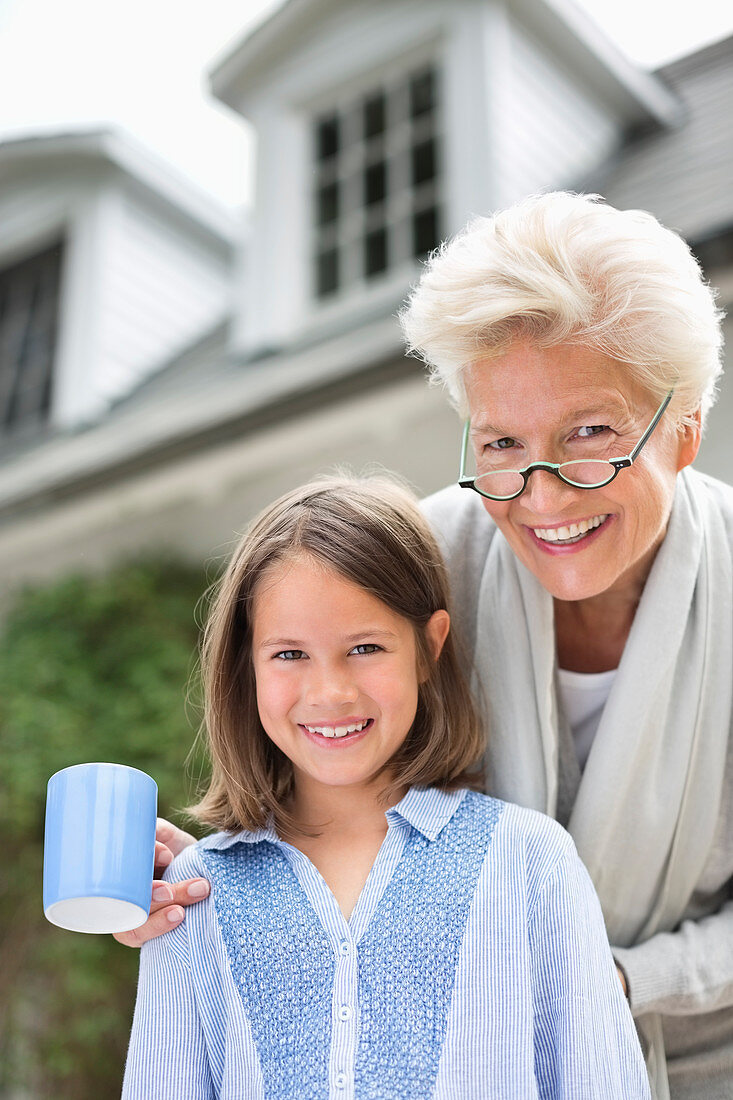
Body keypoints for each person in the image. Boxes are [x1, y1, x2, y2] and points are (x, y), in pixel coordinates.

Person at [129, 192, 732, 1100]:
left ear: (682, 430)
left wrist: (602, 982)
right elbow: (331, 767)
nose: (543, 495)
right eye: (500, 442)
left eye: (591, 435)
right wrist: (192, 887)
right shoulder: (422, 567)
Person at [122, 476, 649, 1099]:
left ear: (429, 649)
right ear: (246, 664)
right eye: (289, 655)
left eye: (365, 647)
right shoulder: (194, 899)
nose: (330, 692)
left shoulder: (529, 861)